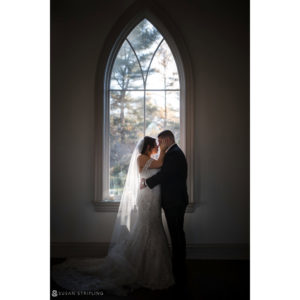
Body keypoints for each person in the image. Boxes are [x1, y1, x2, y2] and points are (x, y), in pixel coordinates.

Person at [51, 136, 174, 296]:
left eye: (159, 146)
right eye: (156, 145)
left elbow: (157, 169)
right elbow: (160, 164)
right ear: (149, 146)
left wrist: (162, 151)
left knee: (150, 227)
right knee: (151, 226)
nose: (158, 147)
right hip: (148, 198)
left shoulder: (149, 158)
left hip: (152, 196)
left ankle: (144, 266)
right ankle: (147, 270)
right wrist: (164, 150)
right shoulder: (141, 158)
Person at [140, 130, 189, 291]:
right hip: (172, 201)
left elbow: (165, 175)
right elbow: (163, 172)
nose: (159, 145)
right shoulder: (172, 153)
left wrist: (147, 183)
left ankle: (178, 271)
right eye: (157, 143)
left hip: (174, 202)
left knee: (176, 235)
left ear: (168, 139)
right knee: (176, 234)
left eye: (160, 142)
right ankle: (177, 268)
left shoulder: (174, 154)